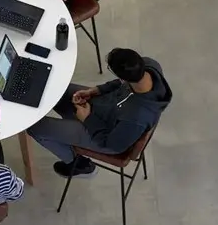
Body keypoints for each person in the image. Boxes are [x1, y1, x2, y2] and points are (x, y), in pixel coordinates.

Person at [27, 48, 172, 178]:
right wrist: (96, 90)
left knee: (35, 128)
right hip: (102, 108)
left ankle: (78, 164)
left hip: (103, 135)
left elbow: (112, 144)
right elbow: (119, 83)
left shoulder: (136, 117)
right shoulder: (148, 65)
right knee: (55, 89)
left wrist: (87, 119)